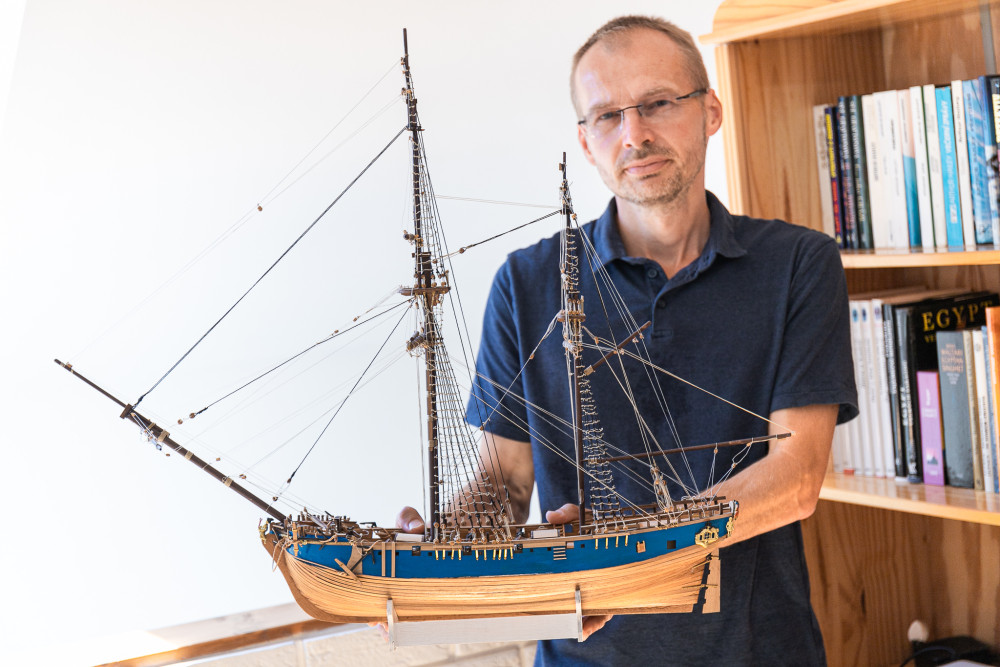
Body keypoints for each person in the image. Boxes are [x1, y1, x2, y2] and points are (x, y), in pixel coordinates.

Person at [397, 15, 857, 666]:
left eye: (658, 103)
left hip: (762, 651)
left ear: (711, 111)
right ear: (586, 142)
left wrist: (624, 558)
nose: (634, 134)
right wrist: (446, 542)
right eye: (607, 115)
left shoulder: (798, 263)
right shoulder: (527, 281)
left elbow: (796, 476)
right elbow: (505, 479)